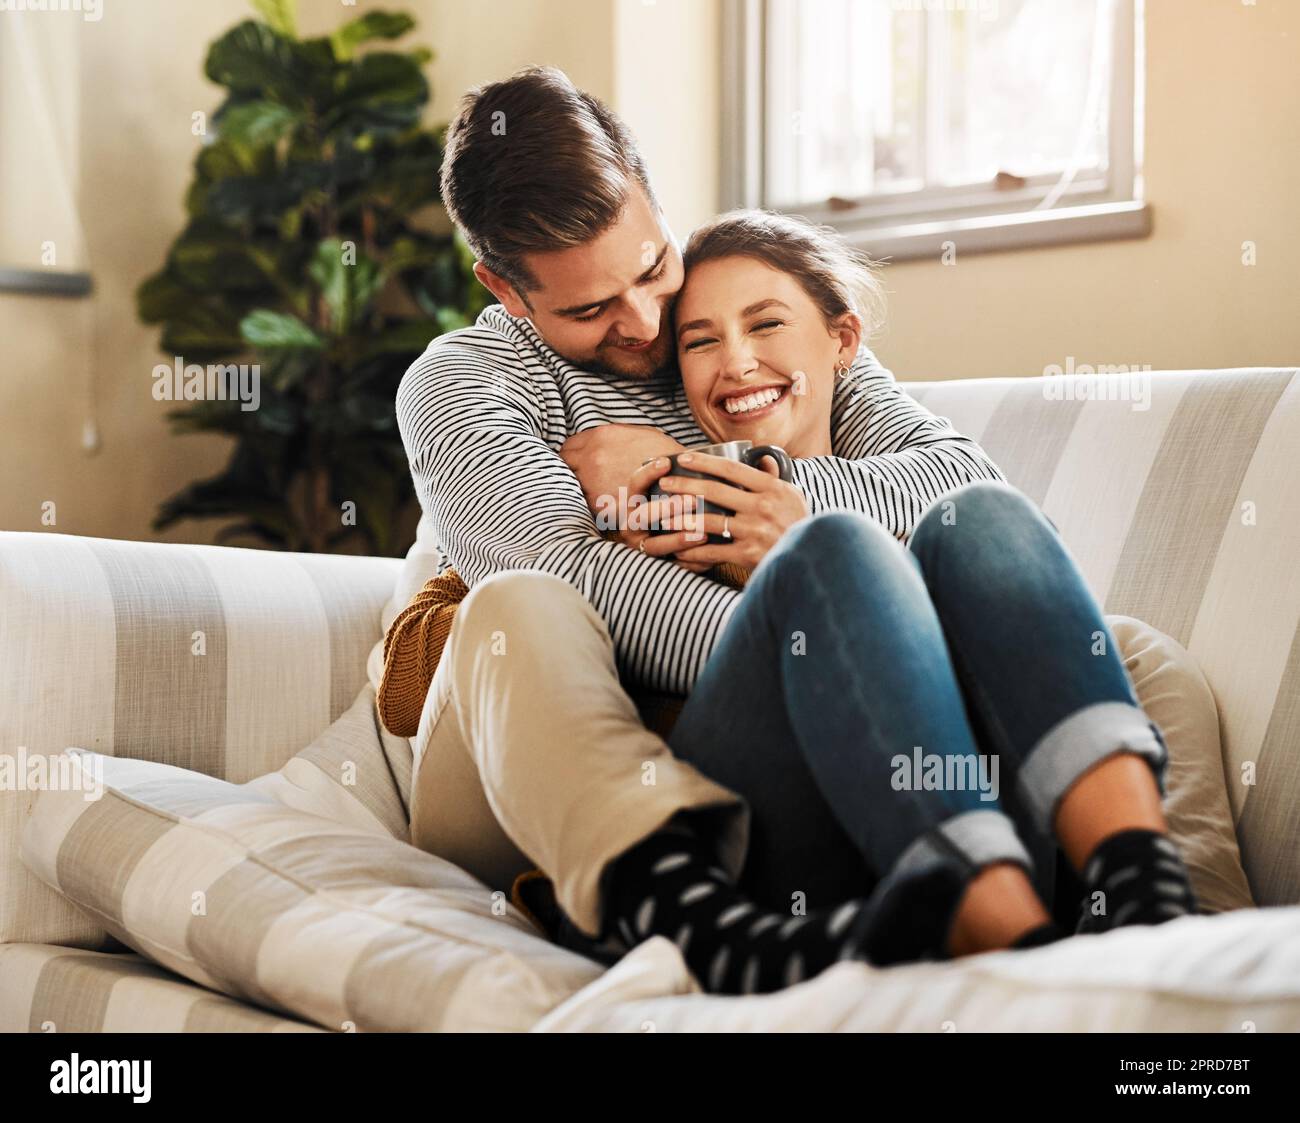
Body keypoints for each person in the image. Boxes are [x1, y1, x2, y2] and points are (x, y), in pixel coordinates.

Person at [384, 67, 1197, 994]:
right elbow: (567, 578)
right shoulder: (467, 381)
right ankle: (1004, 941)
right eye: (589, 308)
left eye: (651, 268)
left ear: (655, 200)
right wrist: (833, 637)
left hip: (780, 737)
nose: (646, 323)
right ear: (506, 288)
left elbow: (965, 484)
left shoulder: (743, 311)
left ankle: (1145, 896)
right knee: (815, 558)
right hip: (558, 750)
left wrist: (765, 497)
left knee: (971, 525)